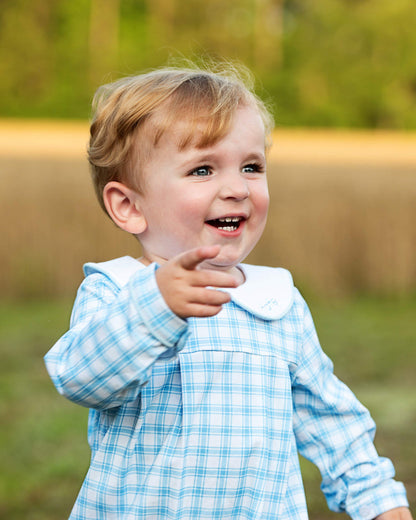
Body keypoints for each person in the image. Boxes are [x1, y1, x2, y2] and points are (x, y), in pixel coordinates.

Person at [44, 63, 412, 520]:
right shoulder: (118, 291)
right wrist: (157, 306)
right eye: (202, 169)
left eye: (252, 167)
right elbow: (82, 377)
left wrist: (380, 501)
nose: (237, 188)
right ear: (128, 206)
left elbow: (331, 419)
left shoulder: (276, 303)